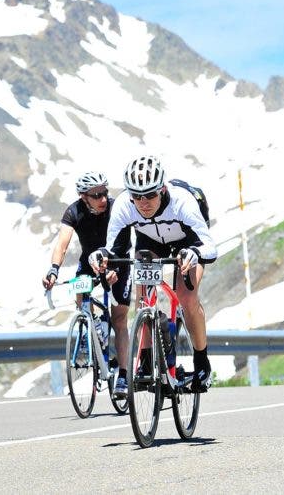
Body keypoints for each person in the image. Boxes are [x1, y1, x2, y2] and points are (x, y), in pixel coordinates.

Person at [88, 155, 217, 392]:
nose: (144, 202)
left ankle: (202, 363)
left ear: (162, 189)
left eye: (150, 195)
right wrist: (100, 256)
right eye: (137, 196)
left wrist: (195, 252)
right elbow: (112, 247)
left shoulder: (182, 202)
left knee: (186, 297)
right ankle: (146, 362)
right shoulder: (125, 206)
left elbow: (210, 247)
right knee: (144, 299)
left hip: (187, 240)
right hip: (150, 242)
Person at [42, 172, 132, 398]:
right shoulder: (73, 211)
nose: (103, 198)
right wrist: (54, 269)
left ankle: (123, 375)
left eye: (104, 193)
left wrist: (113, 269)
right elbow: (61, 244)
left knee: (119, 318)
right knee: (80, 294)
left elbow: (121, 242)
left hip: (117, 260)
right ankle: (92, 325)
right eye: (96, 195)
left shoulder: (115, 208)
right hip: (88, 262)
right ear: (84, 197)